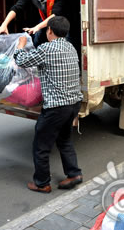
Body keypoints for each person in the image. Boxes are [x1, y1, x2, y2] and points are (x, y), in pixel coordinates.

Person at [13, 16, 83, 193]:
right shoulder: (71, 47)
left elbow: (22, 61)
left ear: (49, 30)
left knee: (41, 146)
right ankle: (74, 173)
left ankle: (42, 183)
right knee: (64, 139)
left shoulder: (47, 48)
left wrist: (20, 46)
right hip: (73, 103)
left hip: (57, 107)